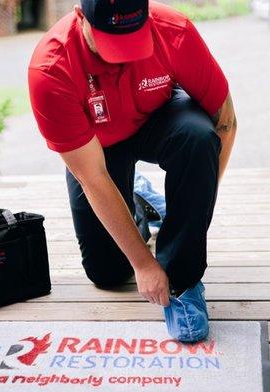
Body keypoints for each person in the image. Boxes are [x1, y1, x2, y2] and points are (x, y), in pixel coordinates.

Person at [28, 0, 237, 342]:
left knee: (199, 137)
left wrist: (195, 208)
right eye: (112, 42)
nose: (125, 56)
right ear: (81, 18)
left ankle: (184, 286)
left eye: (133, 40)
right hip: (98, 147)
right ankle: (136, 201)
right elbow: (91, 176)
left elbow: (226, 122)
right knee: (108, 273)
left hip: (161, 116)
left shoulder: (173, 30)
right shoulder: (50, 69)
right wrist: (143, 264)